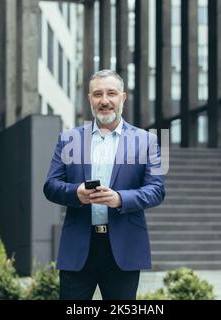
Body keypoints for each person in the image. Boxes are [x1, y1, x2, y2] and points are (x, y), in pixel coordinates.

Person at [43, 69, 165, 300]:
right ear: (90, 99)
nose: (105, 100)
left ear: (123, 97)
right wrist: (75, 193)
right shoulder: (69, 138)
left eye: (111, 93)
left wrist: (120, 198)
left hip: (124, 247)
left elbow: (157, 190)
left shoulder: (148, 140)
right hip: (78, 246)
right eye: (98, 94)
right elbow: (51, 185)